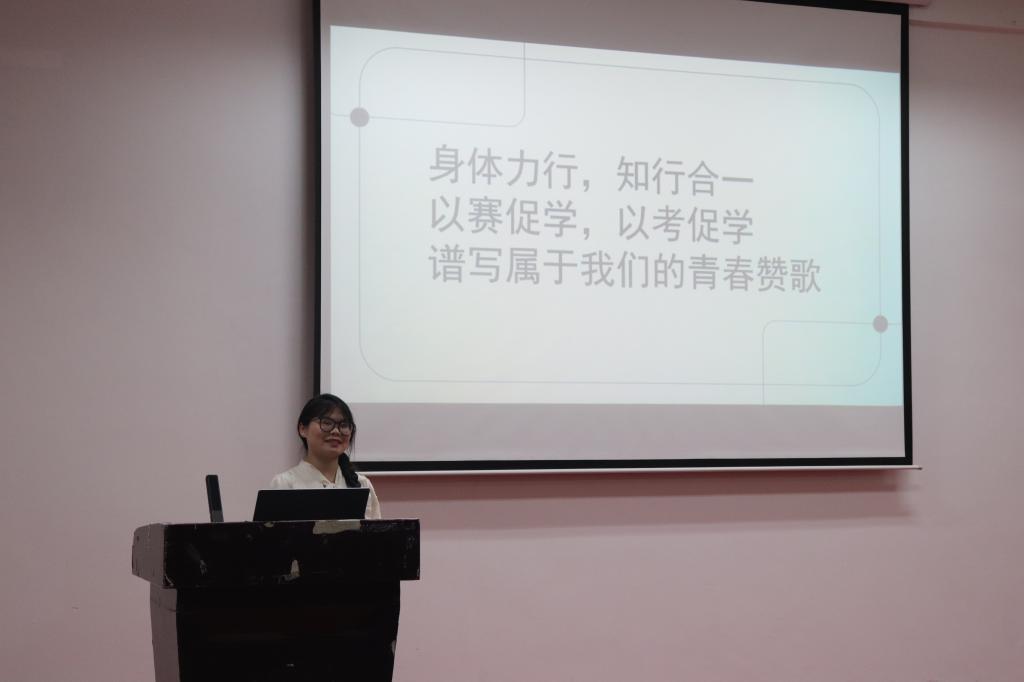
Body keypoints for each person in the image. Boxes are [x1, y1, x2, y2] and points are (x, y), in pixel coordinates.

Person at [270, 393, 382, 520]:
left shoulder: (362, 484)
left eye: (344, 425)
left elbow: (376, 532)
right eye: (327, 423)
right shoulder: (284, 484)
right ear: (303, 429)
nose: (336, 431)